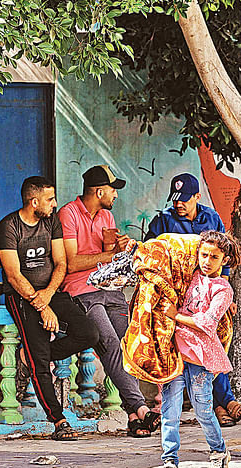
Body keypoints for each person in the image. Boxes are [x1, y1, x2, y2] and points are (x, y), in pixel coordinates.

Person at [58, 165, 160, 438]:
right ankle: (140, 408)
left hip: (110, 288)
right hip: (82, 290)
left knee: (129, 343)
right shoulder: (68, 214)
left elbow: (108, 259)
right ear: (99, 190)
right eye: (113, 189)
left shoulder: (107, 216)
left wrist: (119, 249)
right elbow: (71, 263)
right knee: (110, 343)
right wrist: (107, 257)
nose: (115, 195)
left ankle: (133, 416)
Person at [0, 176, 99, 440]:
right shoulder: (8, 227)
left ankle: (28, 358)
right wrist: (42, 307)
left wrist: (49, 295)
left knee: (89, 334)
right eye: (50, 199)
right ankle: (58, 420)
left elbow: (61, 263)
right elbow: (13, 275)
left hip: (51, 291)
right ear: (34, 202)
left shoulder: (51, 222)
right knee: (40, 361)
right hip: (22, 297)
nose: (55, 204)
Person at [145, 173, 241, 426]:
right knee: (199, 347)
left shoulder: (210, 217)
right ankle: (224, 405)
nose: (179, 205)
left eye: (185, 200)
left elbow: (221, 257)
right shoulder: (163, 221)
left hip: (208, 292)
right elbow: (150, 253)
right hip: (178, 297)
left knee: (214, 344)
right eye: (176, 200)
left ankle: (221, 405)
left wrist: (224, 295)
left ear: (197, 197)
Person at [156, 230, 241, 468]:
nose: (206, 260)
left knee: (203, 409)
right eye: (203, 254)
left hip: (200, 358)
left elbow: (207, 323)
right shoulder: (189, 275)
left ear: (224, 259)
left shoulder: (223, 290)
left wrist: (176, 316)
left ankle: (218, 452)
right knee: (169, 410)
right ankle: (169, 463)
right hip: (175, 353)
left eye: (214, 257)